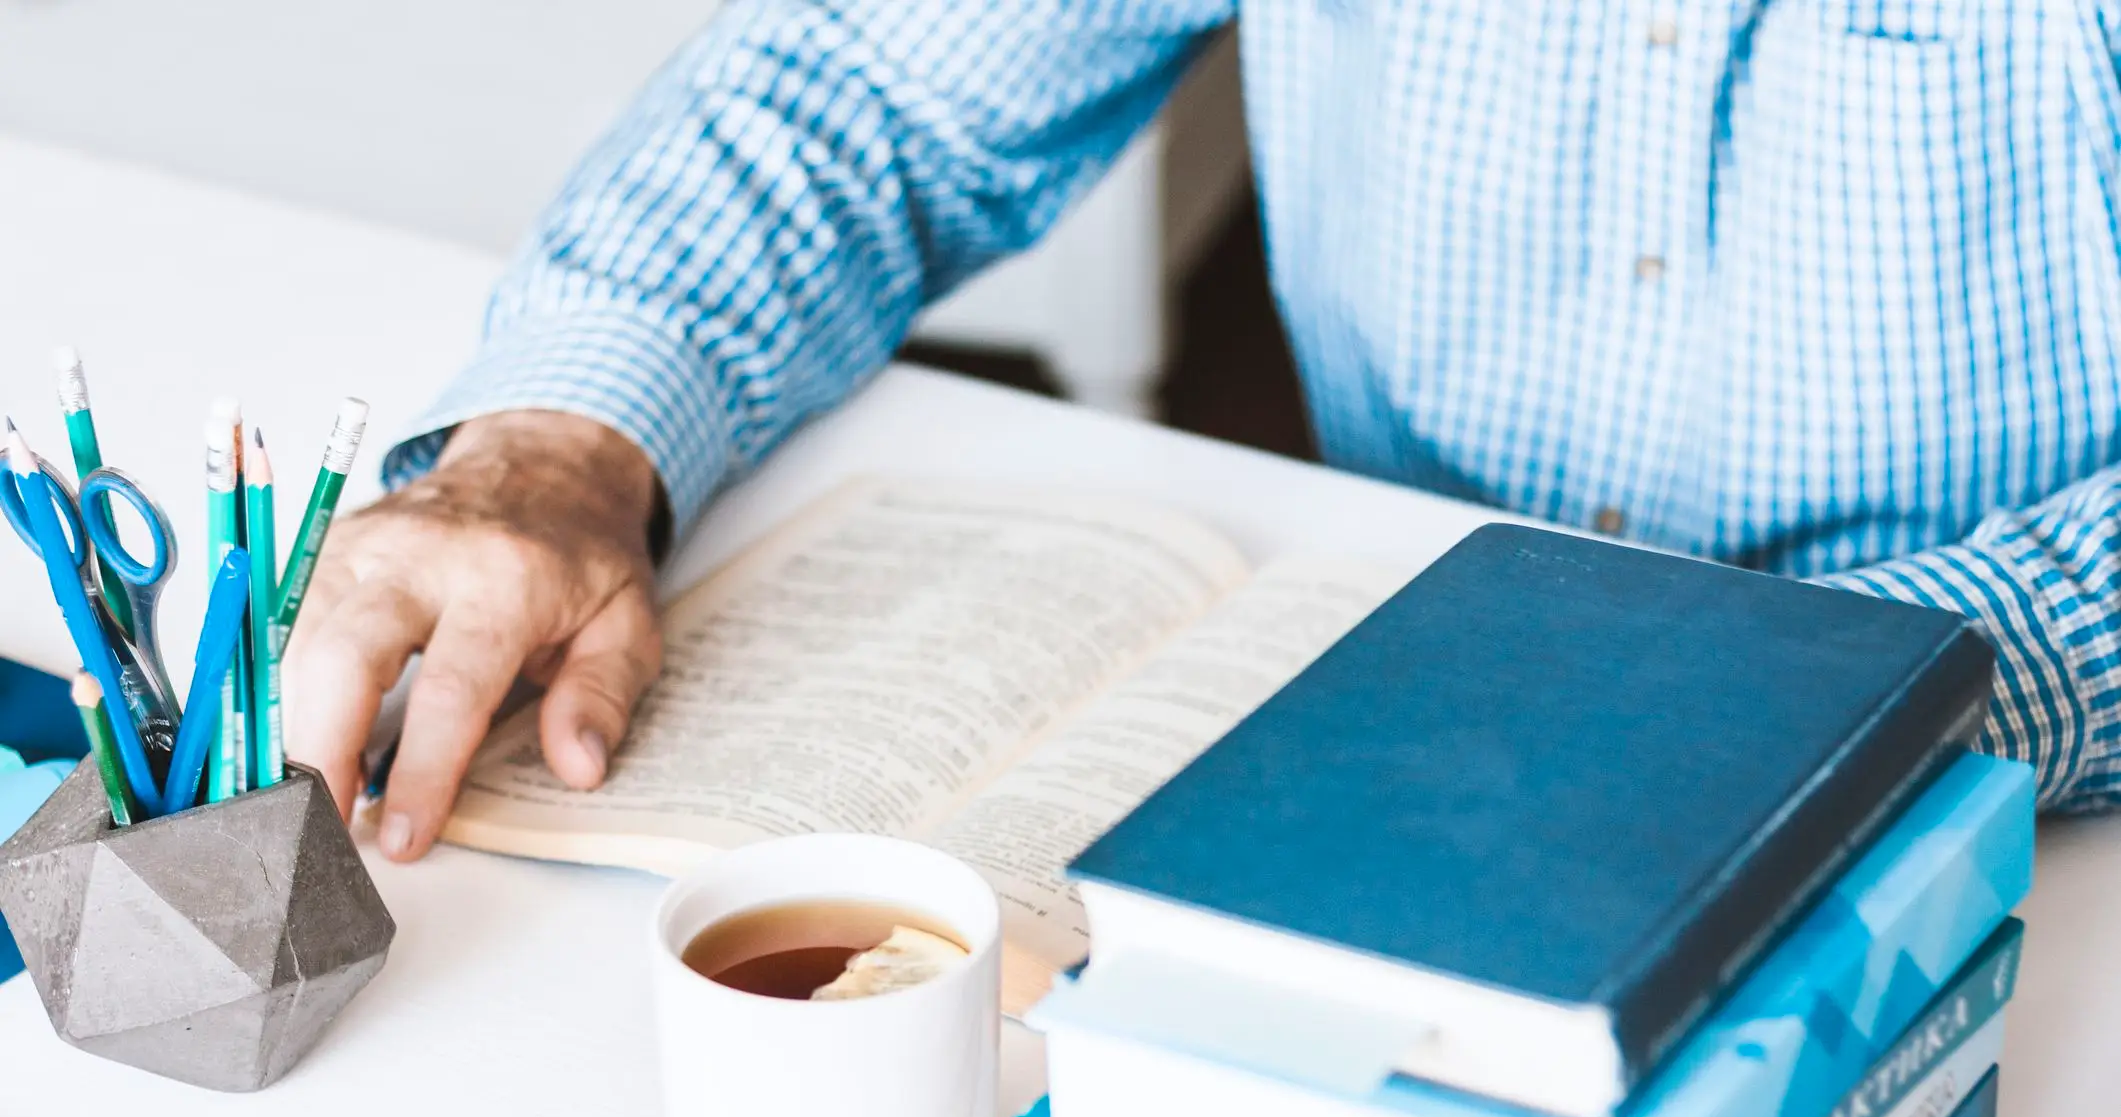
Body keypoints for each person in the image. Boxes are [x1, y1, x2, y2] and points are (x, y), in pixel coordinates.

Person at [283, 1, 2121, 862]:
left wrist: (1865, 700)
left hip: (2018, 835)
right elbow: (870, 84)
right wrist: (558, 451)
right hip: (1390, 775)